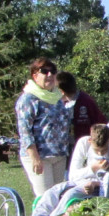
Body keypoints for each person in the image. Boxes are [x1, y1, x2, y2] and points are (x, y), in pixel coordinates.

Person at [25, 125, 109, 216]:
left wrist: (95, 184)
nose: (100, 154)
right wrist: (92, 169)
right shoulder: (83, 143)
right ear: (90, 140)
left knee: (70, 195)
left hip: (100, 187)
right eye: (96, 150)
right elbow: (73, 175)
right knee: (52, 191)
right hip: (78, 181)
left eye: (103, 150)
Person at [15, 57, 71, 196]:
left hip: (59, 155)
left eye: (53, 71)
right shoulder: (28, 99)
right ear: (35, 76)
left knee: (58, 198)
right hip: (40, 157)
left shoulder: (57, 97)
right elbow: (24, 131)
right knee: (45, 198)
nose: (50, 74)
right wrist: (34, 157)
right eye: (44, 71)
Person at [56, 71, 107, 148]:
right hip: (65, 146)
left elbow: (101, 123)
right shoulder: (58, 104)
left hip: (86, 146)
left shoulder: (86, 101)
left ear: (61, 91)